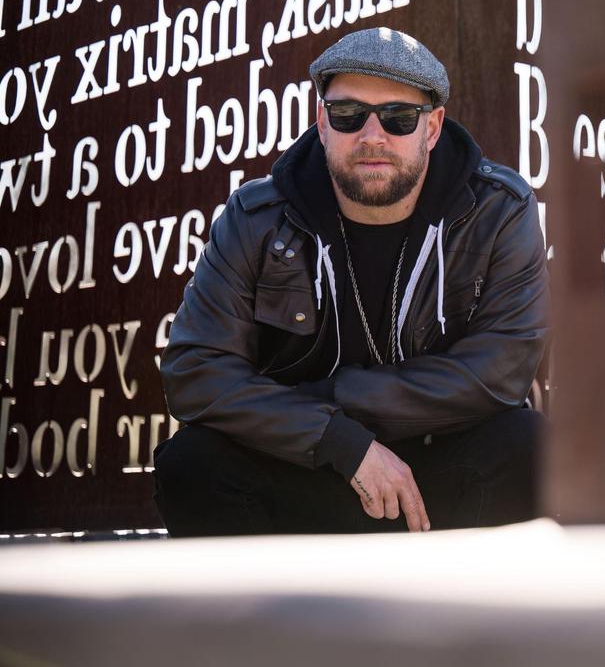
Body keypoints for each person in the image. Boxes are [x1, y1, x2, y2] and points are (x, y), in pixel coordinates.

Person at [153, 27, 550, 536]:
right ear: (322, 123)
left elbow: (501, 371)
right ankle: (270, 615)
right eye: (348, 115)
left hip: (436, 468)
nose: (372, 135)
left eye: (398, 118)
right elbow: (195, 371)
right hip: (305, 462)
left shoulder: (498, 210)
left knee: (528, 445)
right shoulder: (256, 218)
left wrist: (335, 403)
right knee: (192, 462)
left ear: (431, 128)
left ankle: (464, 612)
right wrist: (337, 440)